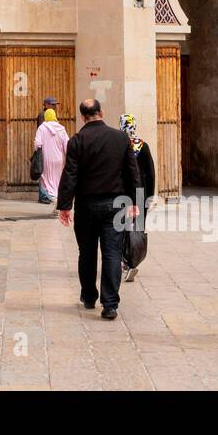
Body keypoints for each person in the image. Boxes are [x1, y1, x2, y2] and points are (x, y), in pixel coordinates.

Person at [56, 99, 139, 319]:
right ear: (101, 112)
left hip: (86, 206)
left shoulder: (77, 140)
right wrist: (136, 201)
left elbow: (70, 174)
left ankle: (89, 296)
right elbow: (132, 172)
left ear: (83, 116)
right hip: (115, 205)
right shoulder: (121, 138)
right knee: (112, 253)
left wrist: (65, 205)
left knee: (87, 252)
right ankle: (110, 304)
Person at [119, 112, 156, 281]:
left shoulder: (118, 144)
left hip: (121, 194)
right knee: (137, 231)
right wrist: (150, 196)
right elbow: (150, 173)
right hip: (141, 195)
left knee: (121, 229)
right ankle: (131, 261)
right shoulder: (143, 145)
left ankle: (124, 261)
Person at [34, 107, 69, 204]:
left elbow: (37, 144)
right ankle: (56, 207)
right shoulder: (61, 129)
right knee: (58, 182)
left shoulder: (42, 128)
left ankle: (55, 200)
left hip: (46, 160)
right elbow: (67, 145)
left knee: (47, 183)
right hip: (59, 160)